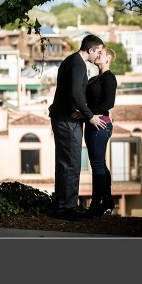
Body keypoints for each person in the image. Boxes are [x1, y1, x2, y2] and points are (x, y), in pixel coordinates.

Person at [48, 34, 106, 221]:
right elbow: (75, 93)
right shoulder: (79, 64)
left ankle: (61, 206)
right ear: (90, 50)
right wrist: (90, 117)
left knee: (65, 164)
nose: (98, 55)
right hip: (67, 120)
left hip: (63, 118)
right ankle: (66, 209)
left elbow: (70, 92)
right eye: (98, 51)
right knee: (71, 164)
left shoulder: (70, 60)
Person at [84, 46, 118, 218]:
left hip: (101, 125)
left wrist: (88, 113)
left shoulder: (109, 78)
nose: (97, 55)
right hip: (91, 124)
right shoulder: (93, 79)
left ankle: (95, 206)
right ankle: (108, 200)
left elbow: (109, 103)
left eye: (101, 53)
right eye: (97, 52)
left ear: (108, 58)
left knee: (97, 165)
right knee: (100, 164)